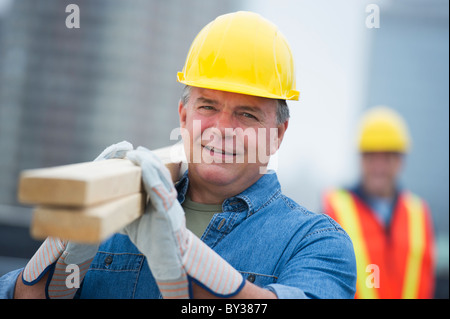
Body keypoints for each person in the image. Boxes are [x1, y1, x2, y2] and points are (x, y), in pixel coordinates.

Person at [1, 11, 356, 299]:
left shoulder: (315, 242)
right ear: (184, 116)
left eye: (247, 114)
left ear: (277, 134)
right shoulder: (119, 208)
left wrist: (181, 249)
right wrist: (59, 251)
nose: (222, 127)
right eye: (208, 106)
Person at [323, 106, 435, 299]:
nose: (379, 166)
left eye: (387, 157)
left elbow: (425, 277)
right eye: (371, 157)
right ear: (360, 159)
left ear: (400, 161)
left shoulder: (419, 213)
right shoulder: (335, 208)